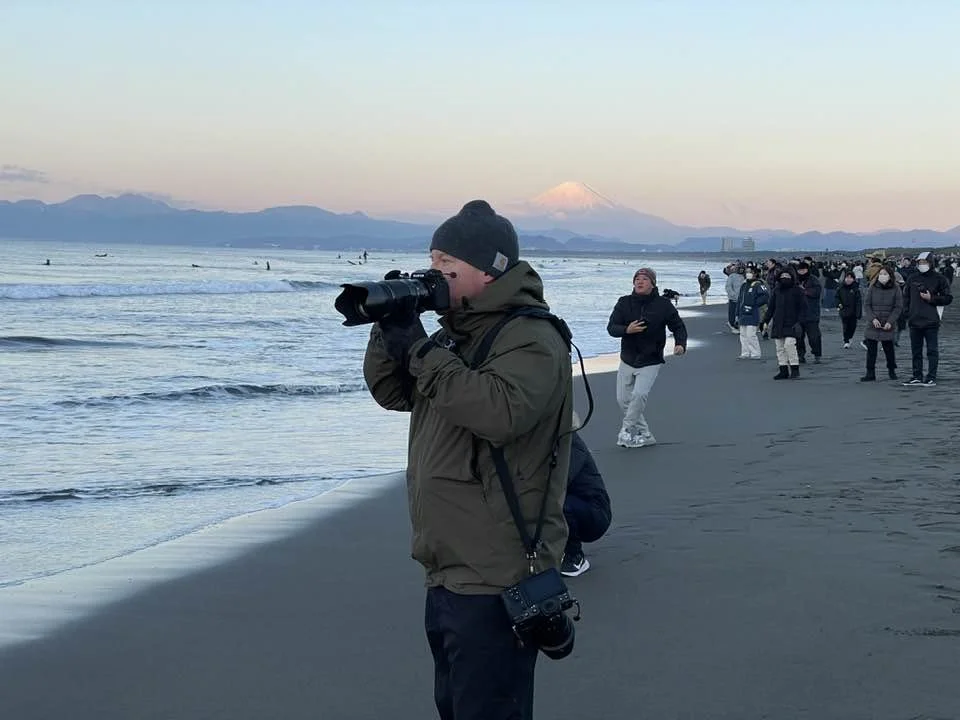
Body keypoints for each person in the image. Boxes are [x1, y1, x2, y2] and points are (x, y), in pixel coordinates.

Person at [362, 200, 573, 720]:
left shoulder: (532, 338)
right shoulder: (457, 335)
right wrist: (390, 329)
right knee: (456, 706)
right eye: (432, 266)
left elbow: (498, 411)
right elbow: (392, 392)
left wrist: (424, 349)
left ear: (489, 270)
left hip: (496, 570)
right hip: (448, 563)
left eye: (446, 269)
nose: (435, 278)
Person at [606, 267, 688, 448]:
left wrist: (680, 344)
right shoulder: (624, 302)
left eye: (644, 279)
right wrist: (626, 330)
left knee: (639, 395)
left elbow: (678, 326)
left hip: (651, 358)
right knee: (623, 400)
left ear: (652, 283)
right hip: (627, 357)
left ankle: (625, 431)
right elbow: (611, 327)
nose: (640, 282)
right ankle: (645, 434)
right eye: (637, 279)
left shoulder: (663, 305)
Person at [561, 415, 612, 577]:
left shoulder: (572, 446)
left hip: (595, 513)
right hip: (580, 505)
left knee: (555, 502)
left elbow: (560, 480)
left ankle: (574, 556)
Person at [902, 251, 953, 386]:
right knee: (916, 351)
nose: (922, 265)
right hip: (914, 319)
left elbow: (948, 298)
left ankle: (931, 376)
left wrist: (932, 299)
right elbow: (906, 297)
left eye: (924, 262)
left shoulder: (940, 279)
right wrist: (907, 313)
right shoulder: (912, 278)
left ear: (931, 263)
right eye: (919, 263)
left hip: (931, 320)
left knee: (932, 350)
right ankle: (916, 375)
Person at [762, 265, 806, 379]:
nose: (785, 278)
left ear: (792, 277)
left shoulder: (798, 290)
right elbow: (771, 307)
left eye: (787, 276)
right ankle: (783, 370)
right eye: (782, 276)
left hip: (793, 323)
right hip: (778, 322)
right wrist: (765, 321)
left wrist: (800, 322)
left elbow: (803, 308)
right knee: (780, 347)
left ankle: (795, 369)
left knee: (789, 345)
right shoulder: (777, 290)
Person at [861, 267, 902, 382]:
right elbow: (867, 305)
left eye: (885, 274)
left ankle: (891, 370)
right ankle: (870, 373)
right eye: (881, 274)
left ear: (890, 276)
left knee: (889, 349)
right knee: (871, 350)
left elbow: (898, 307)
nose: (882, 276)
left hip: (888, 323)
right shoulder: (872, 287)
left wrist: (890, 321)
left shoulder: (896, 288)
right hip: (873, 324)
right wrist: (872, 319)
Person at [735, 266, 769, 359]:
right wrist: (737, 313)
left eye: (750, 272)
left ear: (754, 273)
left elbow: (765, 296)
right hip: (742, 313)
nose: (748, 274)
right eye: (747, 272)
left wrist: (754, 303)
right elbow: (739, 300)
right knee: (743, 335)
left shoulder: (758, 284)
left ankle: (756, 353)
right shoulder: (744, 285)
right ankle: (745, 353)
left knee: (751, 334)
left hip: (752, 313)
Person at [795, 261, 823, 363]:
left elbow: (817, 292)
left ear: (807, 270)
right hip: (797, 314)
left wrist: (804, 291)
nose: (801, 272)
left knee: (814, 337)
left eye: (803, 270)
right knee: (798, 337)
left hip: (811, 313)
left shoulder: (814, 280)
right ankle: (800, 355)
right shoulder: (795, 281)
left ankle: (817, 354)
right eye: (799, 270)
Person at [836, 271, 862, 348]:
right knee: (845, 326)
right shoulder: (840, 288)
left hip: (853, 311)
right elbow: (837, 297)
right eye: (847, 277)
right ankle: (846, 340)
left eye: (851, 278)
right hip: (844, 310)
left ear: (853, 279)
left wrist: (858, 313)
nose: (848, 279)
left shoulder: (856, 289)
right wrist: (838, 304)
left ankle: (850, 337)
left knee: (852, 326)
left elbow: (858, 302)